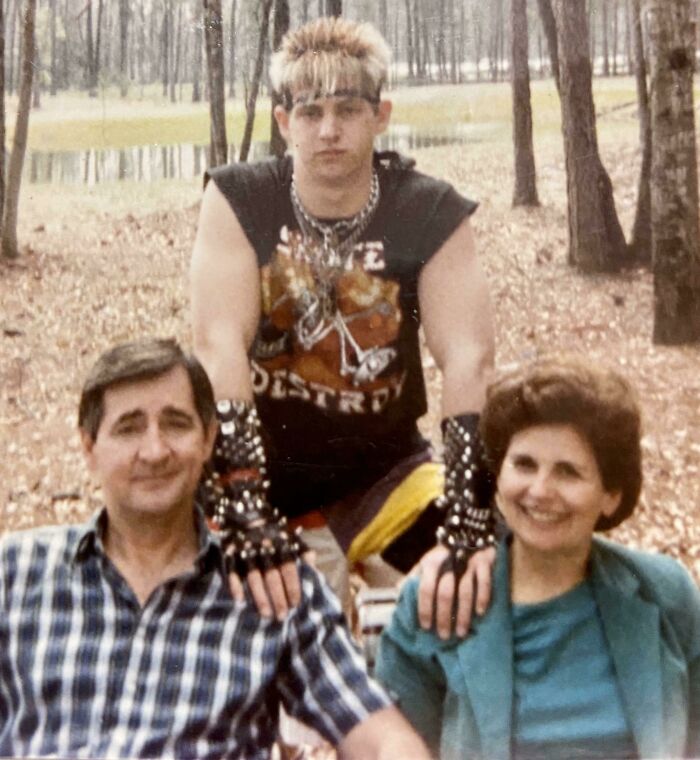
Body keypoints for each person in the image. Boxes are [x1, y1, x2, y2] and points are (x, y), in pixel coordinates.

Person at [190, 15, 496, 638]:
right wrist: (243, 494)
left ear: (380, 115)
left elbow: (467, 357)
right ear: (284, 122)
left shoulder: (427, 209)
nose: (328, 129)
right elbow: (217, 342)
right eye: (310, 112)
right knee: (270, 645)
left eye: (348, 109)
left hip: (387, 472)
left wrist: (470, 505)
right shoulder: (240, 198)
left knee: (475, 600)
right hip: (271, 476)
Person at [0, 338, 431, 760]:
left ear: (208, 441)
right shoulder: (16, 574)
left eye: (176, 423)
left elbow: (379, 736)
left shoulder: (272, 588)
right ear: (89, 447)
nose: (154, 450)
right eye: (128, 428)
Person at [376, 357, 700, 760]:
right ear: (497, 478)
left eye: (568, 472)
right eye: (524, 465)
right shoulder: (441, 600)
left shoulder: (665, 594)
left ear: (611, 494)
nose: (540, 490)